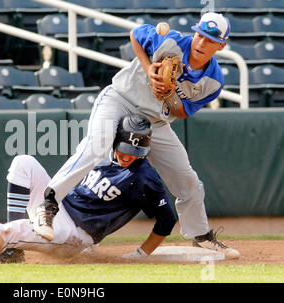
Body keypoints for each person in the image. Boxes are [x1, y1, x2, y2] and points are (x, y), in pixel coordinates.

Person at [32, 12, 240, 259]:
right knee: (96, 147)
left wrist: (170, 93)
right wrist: (149, 68)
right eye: (199, 35)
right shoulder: (170, 42)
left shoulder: (213, 81)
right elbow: (135, 35)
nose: (201, 43)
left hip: (155, 120)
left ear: (221, 46)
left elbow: (182, 112)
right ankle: (49, 203)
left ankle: (200, 236)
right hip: (120, 99)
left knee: (186, 177)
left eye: (209, 40)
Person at [0, 113, 177, 262]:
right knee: (23, 162)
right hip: (59, 208)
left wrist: (141, 254)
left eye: (134, 151)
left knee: (10, 230)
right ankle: (12, 252)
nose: (127, 155)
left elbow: (167, 220)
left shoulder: (145, 177)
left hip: (75, 234)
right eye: (123, 148)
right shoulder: (103, 152)